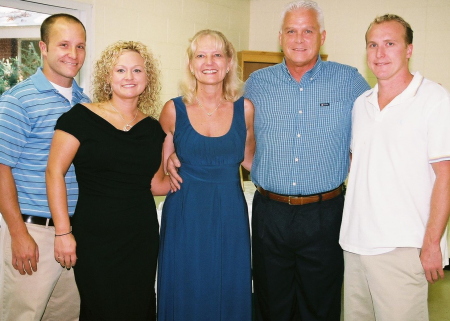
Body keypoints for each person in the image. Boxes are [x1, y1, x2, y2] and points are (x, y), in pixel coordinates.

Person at [167, 1, 369, 320]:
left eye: (308, 30)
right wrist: (179, 152)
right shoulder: (257, 85)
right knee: (270, 303)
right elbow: (230, 133)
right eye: (291, 30)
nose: (299, 38)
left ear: (322, 36)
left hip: (325, 214)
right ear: (280, 37)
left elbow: (374, 133)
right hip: (270, 214)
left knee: (320, 304)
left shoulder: (350, 81)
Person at [46, 40, 170, 321]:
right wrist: (63, 232)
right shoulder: (80, 117)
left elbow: (154, 184)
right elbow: (54, 172)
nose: (129, 77)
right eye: (121, 70)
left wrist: (198, 169)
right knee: (101, 309)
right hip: (94, 238)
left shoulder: (152, 129)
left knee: (138, 308)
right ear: (107, 76)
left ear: (147, 78)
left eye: (137, 70)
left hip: (140, 237)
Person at [339, 14, 450, 321]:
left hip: (402, 247)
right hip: (355, 244)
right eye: (373, 45)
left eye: (390, 44)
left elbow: (446, 177)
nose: (380, 53)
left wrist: (431, 245)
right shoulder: (361, 104)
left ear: (409, 50)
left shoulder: (435, 100)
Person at [157, 29, 255, 321]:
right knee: (185, 287)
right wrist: (171, 158)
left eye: (217, 54)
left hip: (230, 217)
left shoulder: (245, 109)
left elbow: (252, 161)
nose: (208, 62)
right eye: (200, 55)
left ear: (228, 63)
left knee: (229, 287)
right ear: (190, 64)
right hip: (184, 216)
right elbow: (159, 173)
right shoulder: (172, 110)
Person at [0, 13, 88, 321]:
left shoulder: (84, 103)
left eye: (80, 46)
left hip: (74, 233)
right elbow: (1, 170)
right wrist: (18, 234)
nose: (73, 54)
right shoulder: (17, 101)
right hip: (33, 232)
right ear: (43, 48)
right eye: (63, 44)